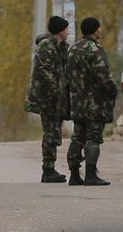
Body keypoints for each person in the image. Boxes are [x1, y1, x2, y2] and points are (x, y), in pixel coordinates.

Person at [66, 17, 118, 186]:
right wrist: (112, 89)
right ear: (95, 30)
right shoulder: (95, 50)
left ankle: (74, 174)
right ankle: (90, 174)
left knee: (77, 137)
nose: (100, 31)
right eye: (99, 28)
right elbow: (102, 75)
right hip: (94, 103)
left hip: (76, 102)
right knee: (93, 137)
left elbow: (67, 75)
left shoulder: (73, 49)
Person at [25, 15, 70, 183]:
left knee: (54, 131)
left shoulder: (61, 47)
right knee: (50, 132)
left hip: (56, 97)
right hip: (47, 97)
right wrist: (56, 89)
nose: (68, 32)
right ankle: (48, 169)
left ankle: (50, 168)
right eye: (66, 29)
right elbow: (44, 70)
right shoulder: (46, 46)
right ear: (60, 30)